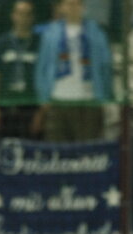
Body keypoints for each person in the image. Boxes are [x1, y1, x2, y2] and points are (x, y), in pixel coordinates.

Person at [34, 0, 112, 142]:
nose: (73, 8)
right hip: (58, 97)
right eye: (69, 4)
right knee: (57, 145)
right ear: (62, 7)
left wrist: (104, 96)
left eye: (77, 4)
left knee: (88, 145)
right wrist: (43, 97)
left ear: (83, 7)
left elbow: (105, 65)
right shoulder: (50, 33)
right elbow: (42, 66)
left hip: (89, 98)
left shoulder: (96, 32)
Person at [0, 0, 39, 138]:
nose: (23, 18)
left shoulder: (40, 43)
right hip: (6, 105)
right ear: (13, 16)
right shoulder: (1, 43)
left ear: (32, 17)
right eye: (20, 13)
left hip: (30, 107)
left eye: (27, 14)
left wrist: (41, 112)